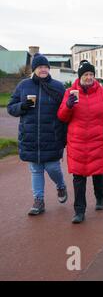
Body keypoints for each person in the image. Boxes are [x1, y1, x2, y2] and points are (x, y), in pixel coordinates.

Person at [58, 60, 103, 224]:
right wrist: (68, 106)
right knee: (78, 177)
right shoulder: (70, 92)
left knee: (98, 173)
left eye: (91, 74)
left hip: (98, 139)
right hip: (77, 141)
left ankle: (100, 198)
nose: (89, 77)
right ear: (80, 76)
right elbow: (62, 116)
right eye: (86, 74)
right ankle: (79, 211)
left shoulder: (102, 93)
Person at [7, 54, 68, 215]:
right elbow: (11, 107)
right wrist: (22, 106)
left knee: (53, 167)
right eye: (40, 67)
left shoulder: (58, 86)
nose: (43, 69)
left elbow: (65, 111)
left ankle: (61, 186)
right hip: (30, 136)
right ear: (34, 69)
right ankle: (38, 200)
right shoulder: (23, 85)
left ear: (49, 69)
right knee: (35, 170)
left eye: (46, 67)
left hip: (52, 135)